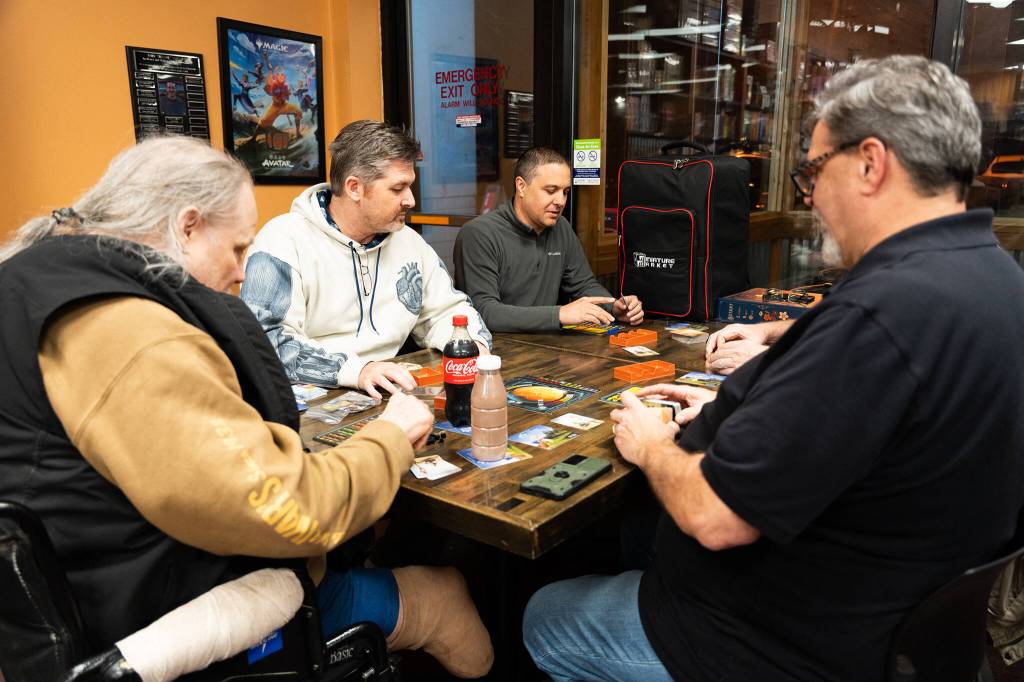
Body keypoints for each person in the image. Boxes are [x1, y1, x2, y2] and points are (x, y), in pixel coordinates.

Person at [522, 55, 1024, 682]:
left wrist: (651, 446)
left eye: (813, 170)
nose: (807, 195)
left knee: (542, 615)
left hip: (780, 642)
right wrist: (735, 410)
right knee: (637, 535)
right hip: (892, 619)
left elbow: (714, 519)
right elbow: (866, 422)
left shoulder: (882, 314)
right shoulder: (995, 278)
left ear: (871, 164)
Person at [0, 136, 493, 679]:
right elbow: (294, 510)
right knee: (445, 591)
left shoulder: (36, 278)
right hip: (165, 612)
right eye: (237, 250)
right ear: (188, 227)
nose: (241, 274)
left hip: (87, 581)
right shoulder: (129, 334)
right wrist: (392, 436)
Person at [241, 120, 491, 399]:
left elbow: (447, 311)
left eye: (410, 186)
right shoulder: (282, 240)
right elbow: (264, 339)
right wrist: (357, 370)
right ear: (354, 188)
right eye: (398, 188)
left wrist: (472, 344)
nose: (410, 200)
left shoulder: (409, 242)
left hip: (390, 390)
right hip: (310, 397)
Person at [454, 147, 643, 332]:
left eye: (565, 192)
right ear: (521, 186)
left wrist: (614, 307)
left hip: (546, 346)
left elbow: (583, 284)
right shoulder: (479, 234)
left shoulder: (561, 227)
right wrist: (559, 315)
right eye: (551, 190)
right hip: (495, 347)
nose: (560, 201)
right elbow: (484, 311)